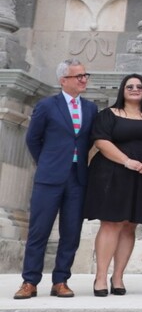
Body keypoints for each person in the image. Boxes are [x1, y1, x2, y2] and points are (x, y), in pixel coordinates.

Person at [15, 59, 98, 299]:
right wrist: (48, 163)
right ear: (63, 80)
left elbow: (90, 140)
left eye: (85, 75)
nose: (84, 79)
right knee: (39, 230)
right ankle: (30, 281)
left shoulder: (91, 108)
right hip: (49, 178)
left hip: (78, 178)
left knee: (71, 231)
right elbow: (33, 139)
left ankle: (61, 280)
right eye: (78, 76)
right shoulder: (47, 105)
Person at [83, 74, 142, 297]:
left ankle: (118, 276)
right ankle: (100, 277)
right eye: (130, 86)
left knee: (130, 226)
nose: (135, 89)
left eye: (140, 86)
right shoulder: (109, 114)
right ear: (122, 90)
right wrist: (127, 161)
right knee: (111, 224)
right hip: (112, 174)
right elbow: (101, 141)